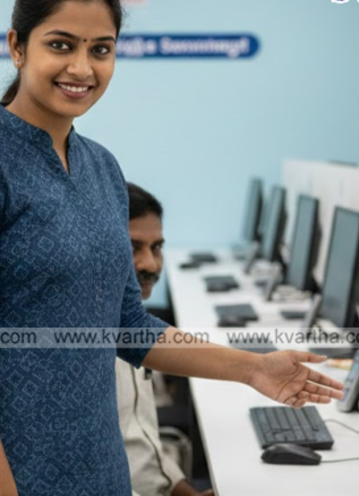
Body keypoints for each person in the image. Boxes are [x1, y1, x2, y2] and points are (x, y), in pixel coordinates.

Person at [0, 0, 342, 496]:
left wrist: (252, 370)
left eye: (101, 49)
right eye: (61, 44)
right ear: (17, 46)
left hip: (95, 462)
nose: (82, 67)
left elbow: (127, 325)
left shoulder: (102, 169)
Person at [117, 183, 211, 496]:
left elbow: (140, 444)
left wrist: (186, 492)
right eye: (133, 248)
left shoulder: (131, 327)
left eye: (156, 247)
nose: (150, 265)